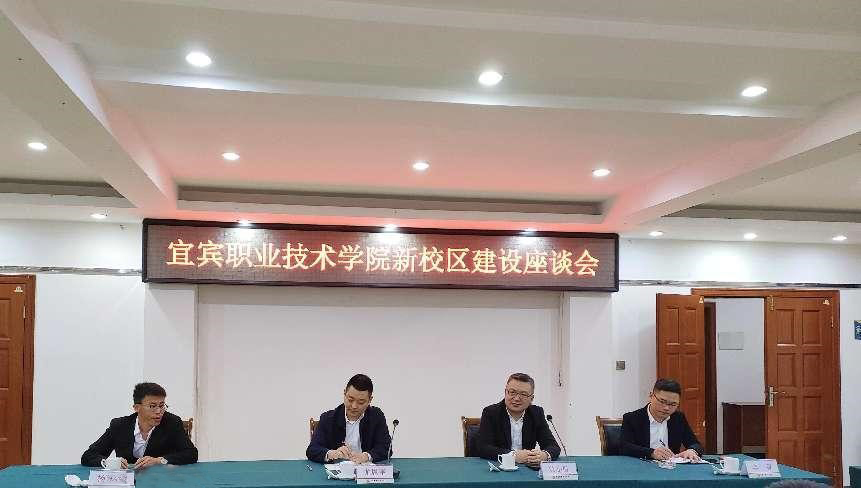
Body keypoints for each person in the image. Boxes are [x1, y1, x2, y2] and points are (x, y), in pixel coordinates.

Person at [81, 382, 198, 468]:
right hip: (128, 481)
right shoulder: (119, 426)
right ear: (137, 408)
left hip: (160, 479)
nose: (159, 411)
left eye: (162, 405)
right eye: (152, 406)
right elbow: (89, 456)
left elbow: (191, 453)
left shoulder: (172, 422)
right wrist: (108, 463)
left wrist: (159, 460)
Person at [474, 373, 560, 467]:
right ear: (506, 392)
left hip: (526, 468)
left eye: (523, 394)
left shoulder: (536, 413)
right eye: (512, 392)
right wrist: (513, 455)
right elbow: (482, 447)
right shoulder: (491, 413)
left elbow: (553, 446)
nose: (516, 398)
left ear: (531, 398)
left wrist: (543, 456)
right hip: (499, 467)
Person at [306, 374, 392, 464]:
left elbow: (386, 448)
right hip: (337, 469)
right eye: (350, 400)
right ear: (344, 394)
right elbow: (312, 449)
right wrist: (331, 454)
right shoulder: (328, 418)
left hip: (365, 469)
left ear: (370, 400)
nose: (354, 406)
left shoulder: (376, 416)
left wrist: (366, 456)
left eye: (361, 402)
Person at [620, 378, 703, 461]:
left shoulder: (678, 418)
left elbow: (695, 444)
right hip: (642, 465)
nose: (666, 408)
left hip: (671, 466)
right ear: (651, 396)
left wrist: (692, 450)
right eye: (662, 401)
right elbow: (624, 447)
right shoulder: (632, 418)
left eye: (673, 404)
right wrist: (651, 453)